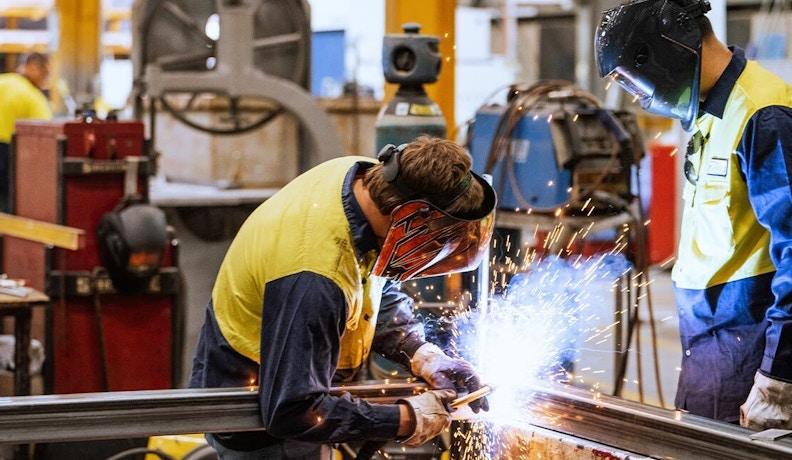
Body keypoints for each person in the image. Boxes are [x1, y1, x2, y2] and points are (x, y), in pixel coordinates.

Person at [189, 135, 496, 458]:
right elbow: (296, 410)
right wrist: (407, 418)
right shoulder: (315, 276)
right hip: (262, 423)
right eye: (437, 241)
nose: (434, 251)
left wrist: (422, 354)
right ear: (413, 219)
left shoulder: (361, 179)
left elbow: (371, 283)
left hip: (296, 381)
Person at [595, 0, 792, 430]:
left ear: (664, 50)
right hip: (711, 347)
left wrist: (779, 375)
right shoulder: (709, 114)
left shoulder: (764, 112)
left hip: (748, 350)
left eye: (633, 79)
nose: (638, 95)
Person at [0, 52, 53, 213]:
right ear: (34, 68)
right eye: (45, 73)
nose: (46, 79)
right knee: (7, 202)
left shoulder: (3, 80)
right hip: (8, 153)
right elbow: (47, 133)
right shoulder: (33, 97)